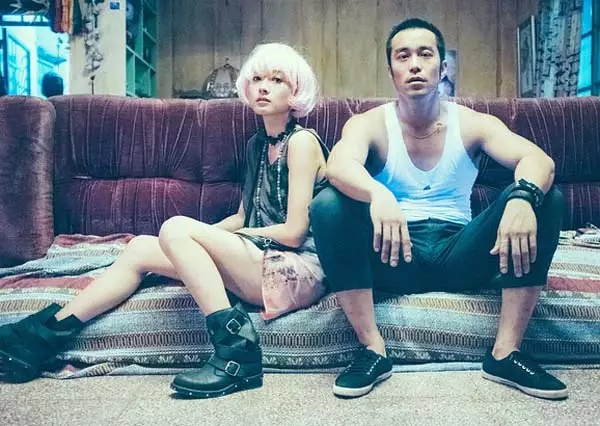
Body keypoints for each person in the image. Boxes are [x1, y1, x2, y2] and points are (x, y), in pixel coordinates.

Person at [0, 42, 329, 399]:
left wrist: (191, 236)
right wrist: (190, 244)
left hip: (296, 270)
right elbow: (240, 217)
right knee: (142, 248)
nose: (264, 87)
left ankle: (239, 353)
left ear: (296, 91)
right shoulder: (256, 146)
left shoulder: (302, 143)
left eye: (277, 80)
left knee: (175, 228)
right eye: (258, 79)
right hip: (258, 261)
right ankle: (42, 337)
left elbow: (294, 233)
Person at [309, 18, 567, 400]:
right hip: (394, 253)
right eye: (403, 56)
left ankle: (505, 354)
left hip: (461, 254)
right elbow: (338, 165)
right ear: (391, 71)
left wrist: (523, 197)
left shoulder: (474, 123)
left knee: (547, 197)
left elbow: (538, 160)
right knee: (327, 205)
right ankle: (372, 351)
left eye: (425, 54)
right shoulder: (369, 124)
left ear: (442, 67)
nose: (414, 64)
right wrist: (378, 195)